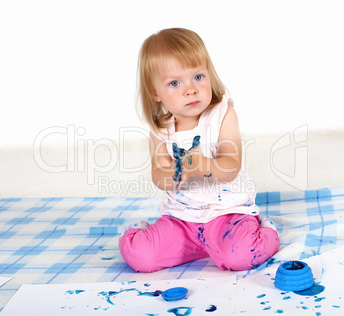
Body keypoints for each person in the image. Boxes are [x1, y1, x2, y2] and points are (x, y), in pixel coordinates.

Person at [119, 28, 279, 272]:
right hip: (181, 221)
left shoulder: (222, 114)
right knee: (141, 258)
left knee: (241, 257)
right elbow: (158, 173)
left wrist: (205, 166)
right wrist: (174, 174)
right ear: (156, 93)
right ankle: (144, 233)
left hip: (227, 215)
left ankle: (265, 230)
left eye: (198, 77)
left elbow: (231, 165)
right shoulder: (161, 129)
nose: (190, 89)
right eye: (174, 83)